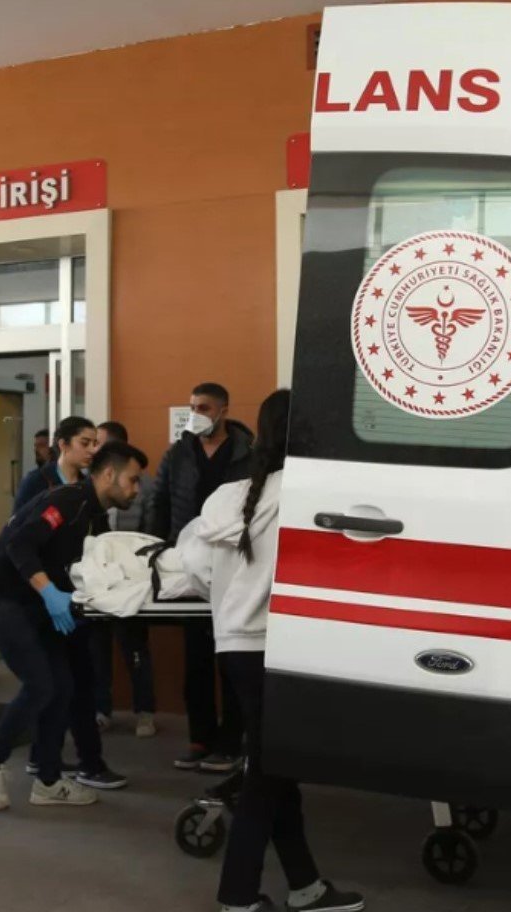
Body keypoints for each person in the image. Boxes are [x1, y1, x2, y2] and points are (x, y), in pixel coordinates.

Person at [175, 389, 365, 912]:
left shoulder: (226, 497)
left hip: (233, 647)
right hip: (282, 650)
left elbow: (193, 568)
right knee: (267, 775)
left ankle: (306, 886)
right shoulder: (313, 495)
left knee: (276, 766)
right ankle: (236, 896)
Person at [0, 441, 147, 810]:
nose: (137, 489)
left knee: (62, 687)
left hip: (38, 605)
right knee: (41, 683)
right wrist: (50, 593)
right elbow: (20, 546)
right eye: (133, 480)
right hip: (6, 599)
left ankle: (47, 781)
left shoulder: (97, 516)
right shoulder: (68, 501)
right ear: (109, 475)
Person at [8, 416, 128, 789]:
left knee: (79, 680)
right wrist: (44, 592)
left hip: (77, 597)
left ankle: (84, 761)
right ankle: (48, 757)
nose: (93, 449)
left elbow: (102, 539)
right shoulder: (37, 483)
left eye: (96, 443)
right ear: (62, 444)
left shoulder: (90, 489)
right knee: (57, 682)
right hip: (44, 596)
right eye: (85, 442)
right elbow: (20, 538)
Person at [145, 382, 252, 772]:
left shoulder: (247, 452)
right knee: (196, 659)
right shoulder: (179, 452)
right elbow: (160, 500)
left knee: (234, 658)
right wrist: (158, 551)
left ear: (223, 409)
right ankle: (199, 738)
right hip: (187, 562)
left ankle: (231, 741)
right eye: (192, 407)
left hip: (234, 567)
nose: (196, 414)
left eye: (204, 407)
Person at [95, 420, 158, 739]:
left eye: (100, 442)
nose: (94, 448)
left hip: (132, 580)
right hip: (98, 579)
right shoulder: (89, 488)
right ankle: (101, 709)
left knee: (134, 647)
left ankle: (145, 711)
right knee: (98, 647)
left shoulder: (144, 487)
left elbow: (152, 535)